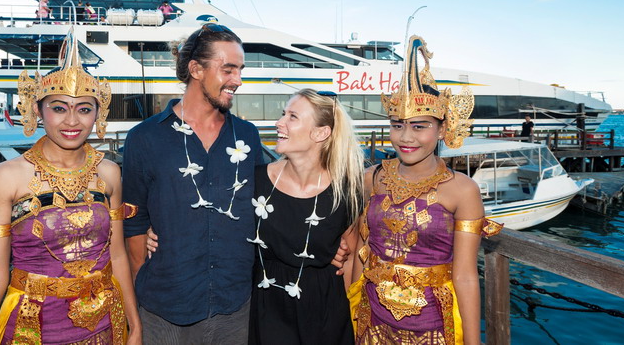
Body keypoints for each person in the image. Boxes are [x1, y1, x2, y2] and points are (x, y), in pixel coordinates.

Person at [124, 26, 351, 344]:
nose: (238, 80)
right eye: (228, 69)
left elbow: (272, 200)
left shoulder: (246, 135)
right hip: (164, 311)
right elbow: (134, 228)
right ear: (196, 69)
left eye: (240, 70)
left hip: (237, 310)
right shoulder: (144, 138)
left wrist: (321, 244)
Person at [0, 32, 142, 344]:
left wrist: (134, 326)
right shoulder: (6, 177)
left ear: (98, 114)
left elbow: (118, 256)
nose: (72, 121)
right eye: (59, 108)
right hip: (34, 329)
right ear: (38, 110)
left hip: (105, 327)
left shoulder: (109, 173)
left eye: (84, 109)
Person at [349, 36, 502, 345]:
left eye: (419, 126)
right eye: (397, 125)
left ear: (442, 129)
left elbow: (465, 276)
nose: (406, 137)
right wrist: (348, 318)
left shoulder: (462, 190)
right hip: (370, 322)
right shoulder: (372, 178)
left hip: (433, 328)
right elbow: (360, 251)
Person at [247, 89, 364, 344]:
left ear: (321, 133)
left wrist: (350, 317)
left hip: (325, 315)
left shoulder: (346, 191)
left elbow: (350, 257)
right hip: (267, 310)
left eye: (292, 116)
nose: (279, 122)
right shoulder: (254, 181)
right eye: (283, 114)